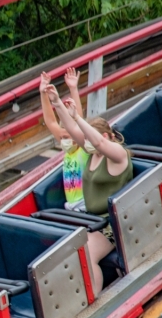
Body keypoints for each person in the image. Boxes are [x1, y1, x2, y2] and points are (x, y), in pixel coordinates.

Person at [46, 85, 133, 296]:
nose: (86, 144)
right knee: (60, 250)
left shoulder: (118, 155)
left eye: (92, 138)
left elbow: (99, 141)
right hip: (89, 220)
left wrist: (78, 116)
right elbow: (75, 133)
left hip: (110, 224)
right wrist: (58, 104)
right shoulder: (92, 152)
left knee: (86, 254)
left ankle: (93, 300)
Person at [39, 67, 87, 209]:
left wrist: (73, 89)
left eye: (68, 136)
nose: (64, 140)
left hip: (84, 203)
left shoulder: (83, 149)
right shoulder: (68, 151)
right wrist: (43, 93)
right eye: (63, 137)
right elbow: (50, 121)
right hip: (71, 205)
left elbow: (77, 120)